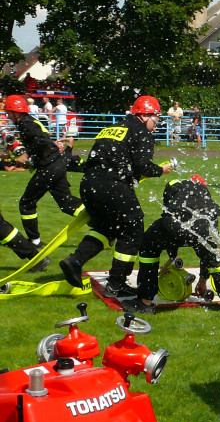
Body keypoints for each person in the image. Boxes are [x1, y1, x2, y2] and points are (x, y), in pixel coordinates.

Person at [59, 96, 172, 296]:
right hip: (113, 185)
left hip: (89, 183)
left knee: (106, 227)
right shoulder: (142, 132)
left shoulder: (114, 127)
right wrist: (161, 170)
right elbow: (142, 166)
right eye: (155, 118)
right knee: (133, 229)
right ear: (144, 115)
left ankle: (74, 261)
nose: (156, 123)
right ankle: (116, 283)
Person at [126, 175, 220, 313]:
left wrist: (171, 256)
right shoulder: (204, 196)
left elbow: (169, 215)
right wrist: (203, 279)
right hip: (205, 228)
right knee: (214, 258)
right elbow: (207, 252)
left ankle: (145, 301)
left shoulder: (174, 184)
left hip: (176, 225)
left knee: (148, 245)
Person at [4, 95, 85, 245]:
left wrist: (27, 156)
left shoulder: (25, 125)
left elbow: (40, 142)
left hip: (49, 167)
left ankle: (34, 241)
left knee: (26, 203)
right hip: (56, 164)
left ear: (15, 112)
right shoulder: (30, 121)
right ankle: (103, 224)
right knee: (67, 204)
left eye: (8, 113)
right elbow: (44, 139)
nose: (8, 116)